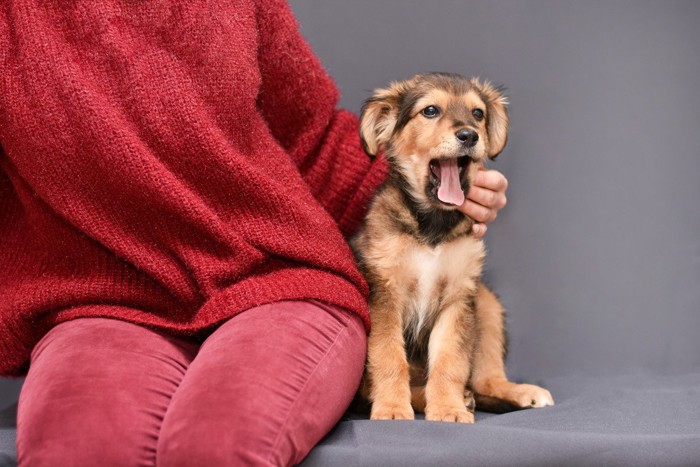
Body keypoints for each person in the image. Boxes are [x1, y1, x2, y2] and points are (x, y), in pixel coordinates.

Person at [0, 1, 507, 465]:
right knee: (80, 450)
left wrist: (428, 183)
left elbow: (310, 137)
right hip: (101, 299)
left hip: (280, 280)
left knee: (215, 445)